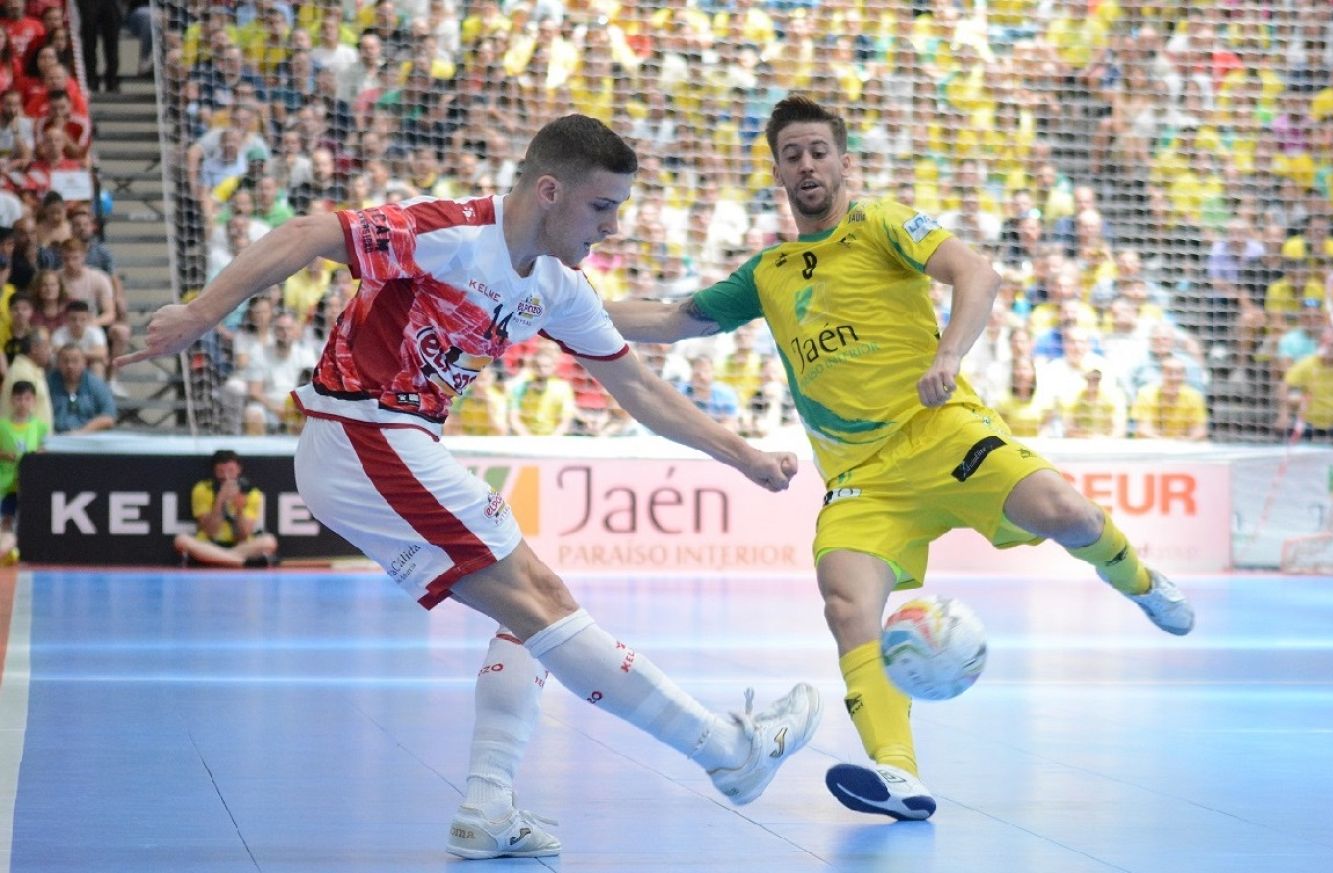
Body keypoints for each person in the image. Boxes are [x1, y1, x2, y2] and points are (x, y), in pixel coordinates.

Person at [117, 114, 821, 860]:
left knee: (534, 616)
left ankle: (488, 803)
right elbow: (309, 231)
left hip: (392, 445)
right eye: (603, 207)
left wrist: (740, 453)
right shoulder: (451, 233)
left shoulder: (557, 285)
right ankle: (725, 751)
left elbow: (639, 389)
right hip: (362, 433)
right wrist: (199, 313)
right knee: (543, 598)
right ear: (549, 191)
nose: (612, 227)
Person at [607, 95, 1193, 822]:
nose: (807, 164)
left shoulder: (881, 224)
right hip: (862, 478)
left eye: (819, 150)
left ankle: (1137, 579)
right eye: (792, 154)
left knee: (1066, 512)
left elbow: (977, 272)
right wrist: (567, 307)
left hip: (945, 433)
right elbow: (672, 318)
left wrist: (950, 354)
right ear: (779, 172)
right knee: (846, 601)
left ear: (845, 162)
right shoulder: (768, 272)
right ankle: (900, 775)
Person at [173, 449, 279, 568]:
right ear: (214, 471)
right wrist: (220, 499)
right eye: (221, 471)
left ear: (239, 470)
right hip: (209, 544)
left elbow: (243, 536)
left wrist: (239, 510)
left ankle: (217, 559)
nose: (226, 476)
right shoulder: (202, 489)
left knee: (269, 542)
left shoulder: (252, 494)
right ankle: (242, 562)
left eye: (231, 471)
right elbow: (210, 531)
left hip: (240, 547)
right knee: (181, 540)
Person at [0, 379, 46, 562]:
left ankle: (24, 549)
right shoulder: (2, 426)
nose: (22, 403)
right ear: (12, 400)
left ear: (33, 401)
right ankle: (6, 549)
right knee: (7, 518)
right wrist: (5, 455)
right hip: (7, 483)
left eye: (27, 399)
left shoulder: (39, 427)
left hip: (29, 484)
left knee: (28, 519)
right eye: (18, 399)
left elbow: (45, 449)